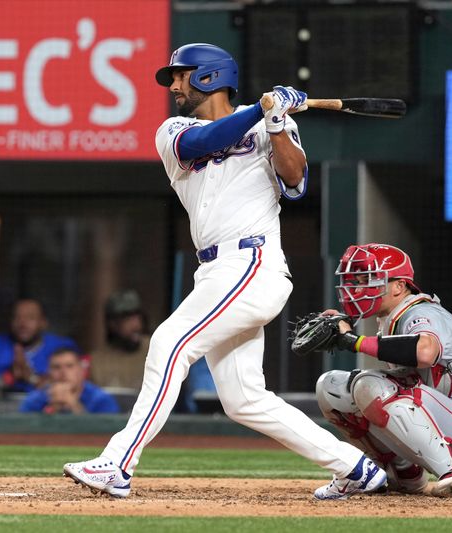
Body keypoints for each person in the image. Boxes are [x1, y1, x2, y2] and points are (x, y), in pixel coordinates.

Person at [62, 43, 385, 499]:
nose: (174, 85)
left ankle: (118, 463)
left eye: (182, 75)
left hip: (253, 263)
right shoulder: (173, 130)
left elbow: (294, 181)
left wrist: (275, 123)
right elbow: (203, 142)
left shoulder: (273, 124)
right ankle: (356, 468)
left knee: (170, 343)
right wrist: (262, 108)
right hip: (214, 272)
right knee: (244, 400)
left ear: (211, 77)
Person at [314, 243, 452, 498]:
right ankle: (401, 474)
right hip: (450, 422)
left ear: (399, 285)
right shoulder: (391, 319)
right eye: (356, 281)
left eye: (368, 280)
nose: (358, 288)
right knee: (331, 387)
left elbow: (424, 352)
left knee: (371, 385)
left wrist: (354, 341)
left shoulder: (422, 311)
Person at [0, 298, 79, 393]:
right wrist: (9, 377)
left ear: (43, 323)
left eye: (30, 318)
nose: (23, 324)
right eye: (17, 317)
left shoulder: (62, 346)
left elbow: (76, 384)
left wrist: (32, 379)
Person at [20, 348, 120, 414]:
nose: (63, 372)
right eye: (56, 367)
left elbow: (108, 436)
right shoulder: (34, 400)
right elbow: (22, 433)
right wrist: (51, 409)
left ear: (81, 370)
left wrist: (74, 406)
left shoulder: (102, 400)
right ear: (48, 373)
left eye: (69, 366)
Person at [88, 290, 150, 391]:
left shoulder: (156, 349)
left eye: (137, 318)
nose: (136, 325)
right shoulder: (97, 361)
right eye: (128, 320)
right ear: (112, 324)